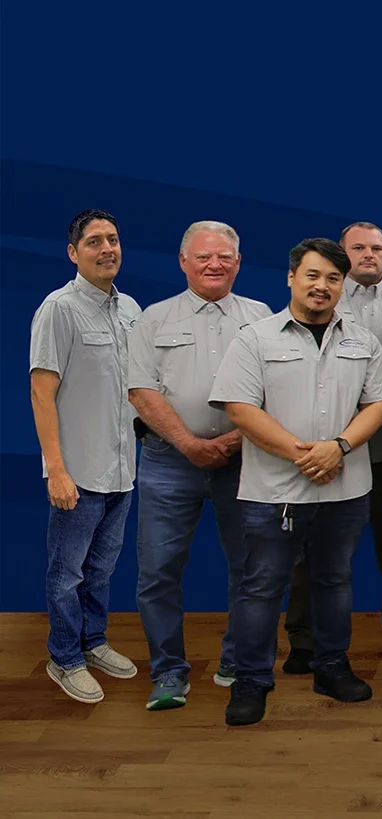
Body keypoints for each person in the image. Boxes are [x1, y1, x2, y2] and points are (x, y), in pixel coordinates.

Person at [208, 237, 382, 726]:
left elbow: (378, 403)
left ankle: (330, 668)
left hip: (345, 488)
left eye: (333, 278)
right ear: (291, 277)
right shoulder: (256, 338)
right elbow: (239, 406)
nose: (322, 286)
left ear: (343, 285)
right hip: (274, 491)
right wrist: (301, 454)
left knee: (334, 581)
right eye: (313, 275)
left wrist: (338, 448)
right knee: (261, 588)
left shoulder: (362, 339)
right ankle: (251, 682)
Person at [129, 220, 272, 709]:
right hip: (169, 461)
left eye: (225, 257)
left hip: (244, 461)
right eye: (204, 257)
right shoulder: (153, 319)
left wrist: (232, 440)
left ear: (238, 263)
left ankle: (238, 659)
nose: (215, 265)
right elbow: (141, 391)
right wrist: (188, 442)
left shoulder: (261, 318)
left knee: (250, 568)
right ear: (184, 262)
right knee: (158, 571)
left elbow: (274, 391)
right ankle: (168, 673)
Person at [30, 209, 143, 704]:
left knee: (101, 570)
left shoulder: (131, 310)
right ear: (74, 253)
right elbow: (41, 393)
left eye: (113, 239)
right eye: (94, 241)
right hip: (78, 473)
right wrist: (56, 468)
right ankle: (65, 658)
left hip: (121, 471)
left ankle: (93, 642)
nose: (107, 248)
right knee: (67, 573)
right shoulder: (59, 308)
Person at [287, 221, 382, 664]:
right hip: (325, 448)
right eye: (357, 248)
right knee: (312, 550)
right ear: (340, 256)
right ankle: (303, 640)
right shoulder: (320, 300)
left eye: (376, 248)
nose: (368, 255)